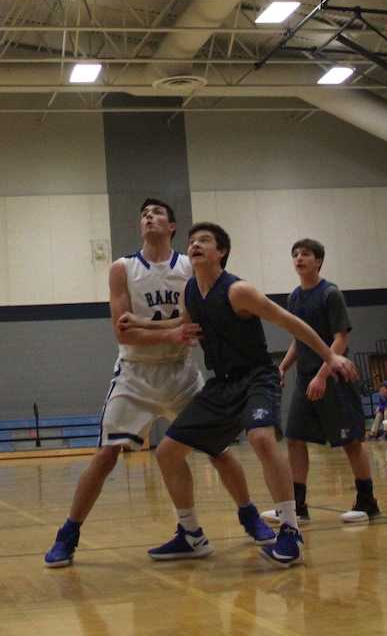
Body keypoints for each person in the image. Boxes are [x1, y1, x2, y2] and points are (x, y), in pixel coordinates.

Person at [42, 199, 275, 568]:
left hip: (181, 373)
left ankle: (248, 516)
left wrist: (167, 329)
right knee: (105, 456)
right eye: (143, 214)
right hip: (135, 374)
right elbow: (123, 333)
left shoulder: (189, 265)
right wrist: (172, 333)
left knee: (217, 450)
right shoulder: (123, 268)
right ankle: (68, 534)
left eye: (156, 213)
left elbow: (199, 319)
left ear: (171, 227)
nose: (148, 216)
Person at [149, 221, 358, 568]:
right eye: (192, 241)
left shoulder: (238, 291)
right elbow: (180, 324)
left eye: (205, 241)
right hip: (221, 384)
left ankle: (290, 530)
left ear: (222, 252)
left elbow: (289, 322)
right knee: (168, 452)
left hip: (257, 377)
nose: (195, 245)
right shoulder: (189, 291)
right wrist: (139, 326)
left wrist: (330, 355)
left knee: (262, 438)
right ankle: (190, 534)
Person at [270, 238, 380, 526]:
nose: (298, 258)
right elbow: (300, 339)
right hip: (306, 378)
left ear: (318, 261)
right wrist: (282, 367)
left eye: (305, 254)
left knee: (351, 441)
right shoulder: (294, 297)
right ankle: (298, 506)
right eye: (294, 254)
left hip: (334, 377)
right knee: (294, 438)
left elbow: (341, 338)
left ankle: (367, 502)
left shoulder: (330, 294)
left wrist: (322, 375)